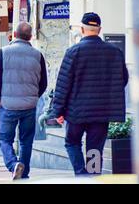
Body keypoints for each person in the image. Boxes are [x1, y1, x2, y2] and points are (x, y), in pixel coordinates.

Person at [43, 13, 129, 175]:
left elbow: (63, 84)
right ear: (99, 29)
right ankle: (93, 177)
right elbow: (123, 79)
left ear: (82, 29)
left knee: (72, 142)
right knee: (95, 149)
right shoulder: (115, 52)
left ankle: (82, 175)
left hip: (77, 111)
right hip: (102, 111)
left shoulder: (73, 52)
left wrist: (58, 111)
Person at [0, 22, 48, 180]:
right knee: (26, 141)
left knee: (5, 139)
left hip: (8, 105)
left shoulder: (4, 52)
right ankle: (25, 170)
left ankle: (13, 164)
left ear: (15, 35)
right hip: (29, 106)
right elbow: (43, 82)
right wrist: (34, 96)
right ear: (30, 37)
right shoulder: (38, 55)